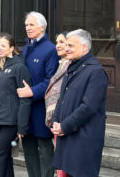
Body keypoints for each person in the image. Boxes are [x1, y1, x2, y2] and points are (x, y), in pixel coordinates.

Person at [51, 29, 108, 177]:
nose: (66, 48)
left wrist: (65, 125)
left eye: (71, 45)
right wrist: (56, 121)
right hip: (68, 136)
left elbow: (88, 106)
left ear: (84, 48)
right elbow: (61, 99)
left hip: (84, 139)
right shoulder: (72, 67)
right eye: (67, 45)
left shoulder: (95, 72)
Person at [17, 11, 59, 177]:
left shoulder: (51, 50)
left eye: (32, 25)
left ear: (42, 27)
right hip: (25, 109)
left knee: (45, 151)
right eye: (26, 25)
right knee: (28, 151)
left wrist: (32, 92)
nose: (28, 28)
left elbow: (51, 81)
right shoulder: (26, 47)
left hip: (41, 108)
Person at [0, 33, 32, 177]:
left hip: (10, 121)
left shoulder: (19, 67)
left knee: (0, 155)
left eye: (3, 45)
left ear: (11, 48)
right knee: (5, 158)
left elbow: (25, 99)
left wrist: (22, 126)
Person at [44, 31, 70, 177]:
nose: (57, 45)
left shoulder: (70, 66)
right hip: (56, 118)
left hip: (63, 118)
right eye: (57, 42)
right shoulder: (61, 64)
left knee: (64, 165)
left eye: (62, 42)